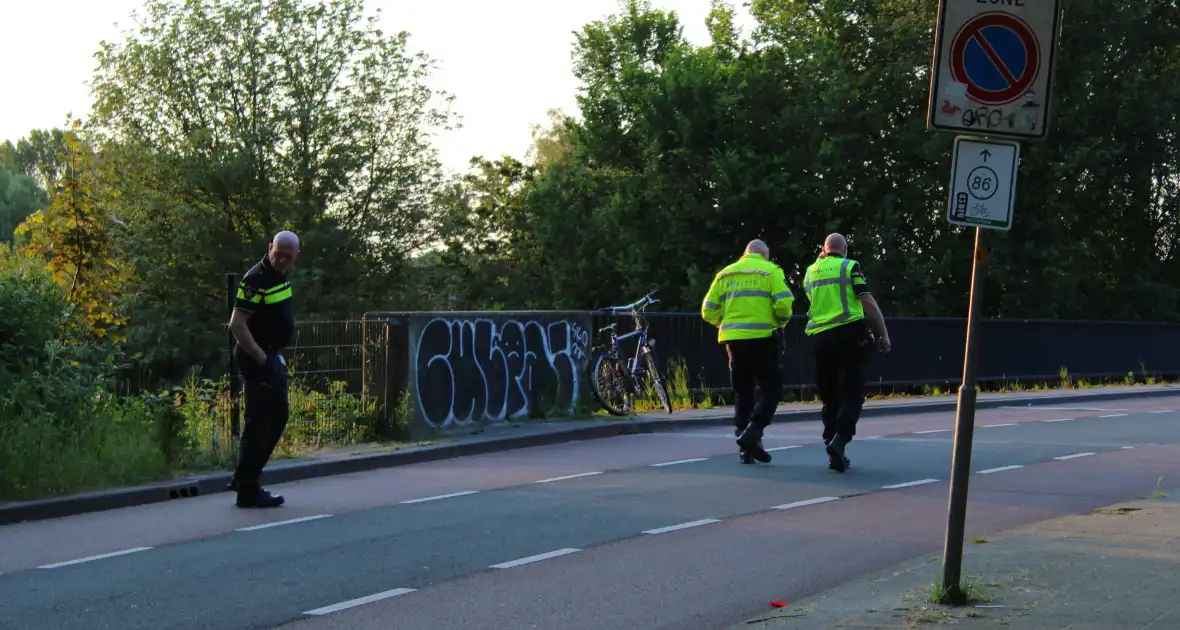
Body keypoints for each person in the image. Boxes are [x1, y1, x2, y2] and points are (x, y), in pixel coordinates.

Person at [802, 233, 891, 473]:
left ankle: (832, 446)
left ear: (823, 250)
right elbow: (867, 302)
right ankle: (840, 439)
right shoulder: (849, 266)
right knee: (852, 392)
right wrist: (883, 333)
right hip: (850, 334)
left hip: (820, 338)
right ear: (845, 250)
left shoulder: (810, 272)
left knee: (830, 395)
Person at [701, 239, 795, 464]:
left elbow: (707, 310)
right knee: (771, 389)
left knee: (743, 392)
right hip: (764, 339)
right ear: (765, 254)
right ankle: (754, 430)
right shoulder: (770, 271)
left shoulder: (725, 274)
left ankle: (746, 449)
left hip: (734, 341)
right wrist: (779, 323)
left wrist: (723, 324)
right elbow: (784, 304)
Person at [226, 230, 300, 508]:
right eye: (278, 253)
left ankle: (244, 477)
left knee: (277, 417)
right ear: (270, 248)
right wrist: (261, 358)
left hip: (270, 356)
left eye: (287, 256)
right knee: (260, 423)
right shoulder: (256, 279)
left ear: (296, 258)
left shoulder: (279, 275)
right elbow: (237, 324)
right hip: (257, 359)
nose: (282, 259)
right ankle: (248, 489)